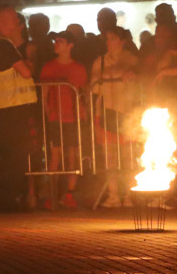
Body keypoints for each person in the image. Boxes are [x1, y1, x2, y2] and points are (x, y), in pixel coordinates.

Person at [0, 6, 38, 212]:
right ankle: (7, 203)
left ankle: (7, 201)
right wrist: (29, 63)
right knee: (16, 158)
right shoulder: (1, 45)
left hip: (6, 109)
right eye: (15, 19)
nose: (18, 23)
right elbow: (25, 72)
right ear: (3, 21)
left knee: (11, 158)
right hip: (10, 109)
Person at [90, 27, 140, 208]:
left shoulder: (132, 60)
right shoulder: (100, 62)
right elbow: (94, 87)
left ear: (122, 41)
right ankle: (113, 195)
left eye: (112, 38)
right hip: (105, 111)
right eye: (107, 38)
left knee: (127, 156)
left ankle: (128, 194)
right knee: (109, 156)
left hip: (126, 113)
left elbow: (138, 84)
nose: (108, 42)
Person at [39, 31, 87, 208]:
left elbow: (83, 92)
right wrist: (48, 113)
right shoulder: (49, 67)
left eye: (60, 41)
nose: (56, 44)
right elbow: (44, 94)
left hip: (73, 117)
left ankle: (69, 194)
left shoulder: (79, 68)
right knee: (54, 156)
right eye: (56, 41)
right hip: (55, 117)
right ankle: (53, 194)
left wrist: (84, 113)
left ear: (70, 45)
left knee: (72, 155)